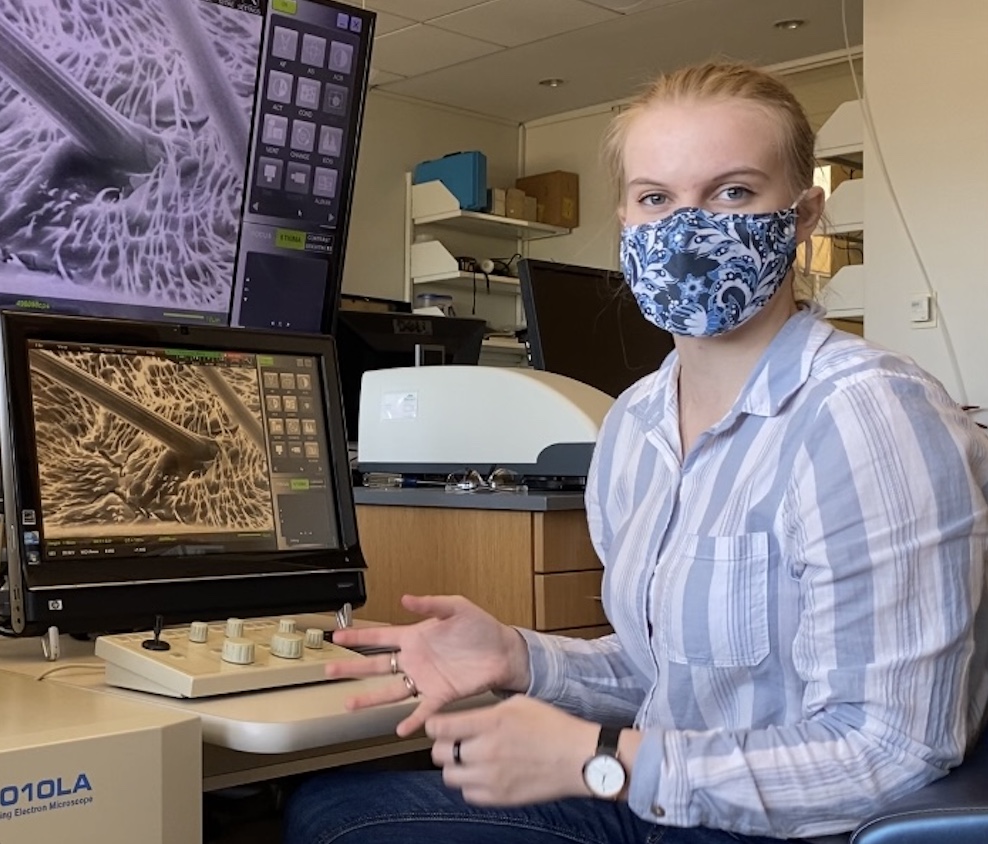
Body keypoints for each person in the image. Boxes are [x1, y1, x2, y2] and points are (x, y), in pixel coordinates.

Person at [285, 60, 988, 844]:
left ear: (800, 215)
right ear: (626, 223)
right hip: (658, 801)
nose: (689, 228)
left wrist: (601, 762)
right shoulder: (636, 424)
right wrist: (517, 657)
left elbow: (892, 750)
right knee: (336, 812)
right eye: (658, 199)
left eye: (732, 193)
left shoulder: (865, 416)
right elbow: (670, 674)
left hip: (793, 828)